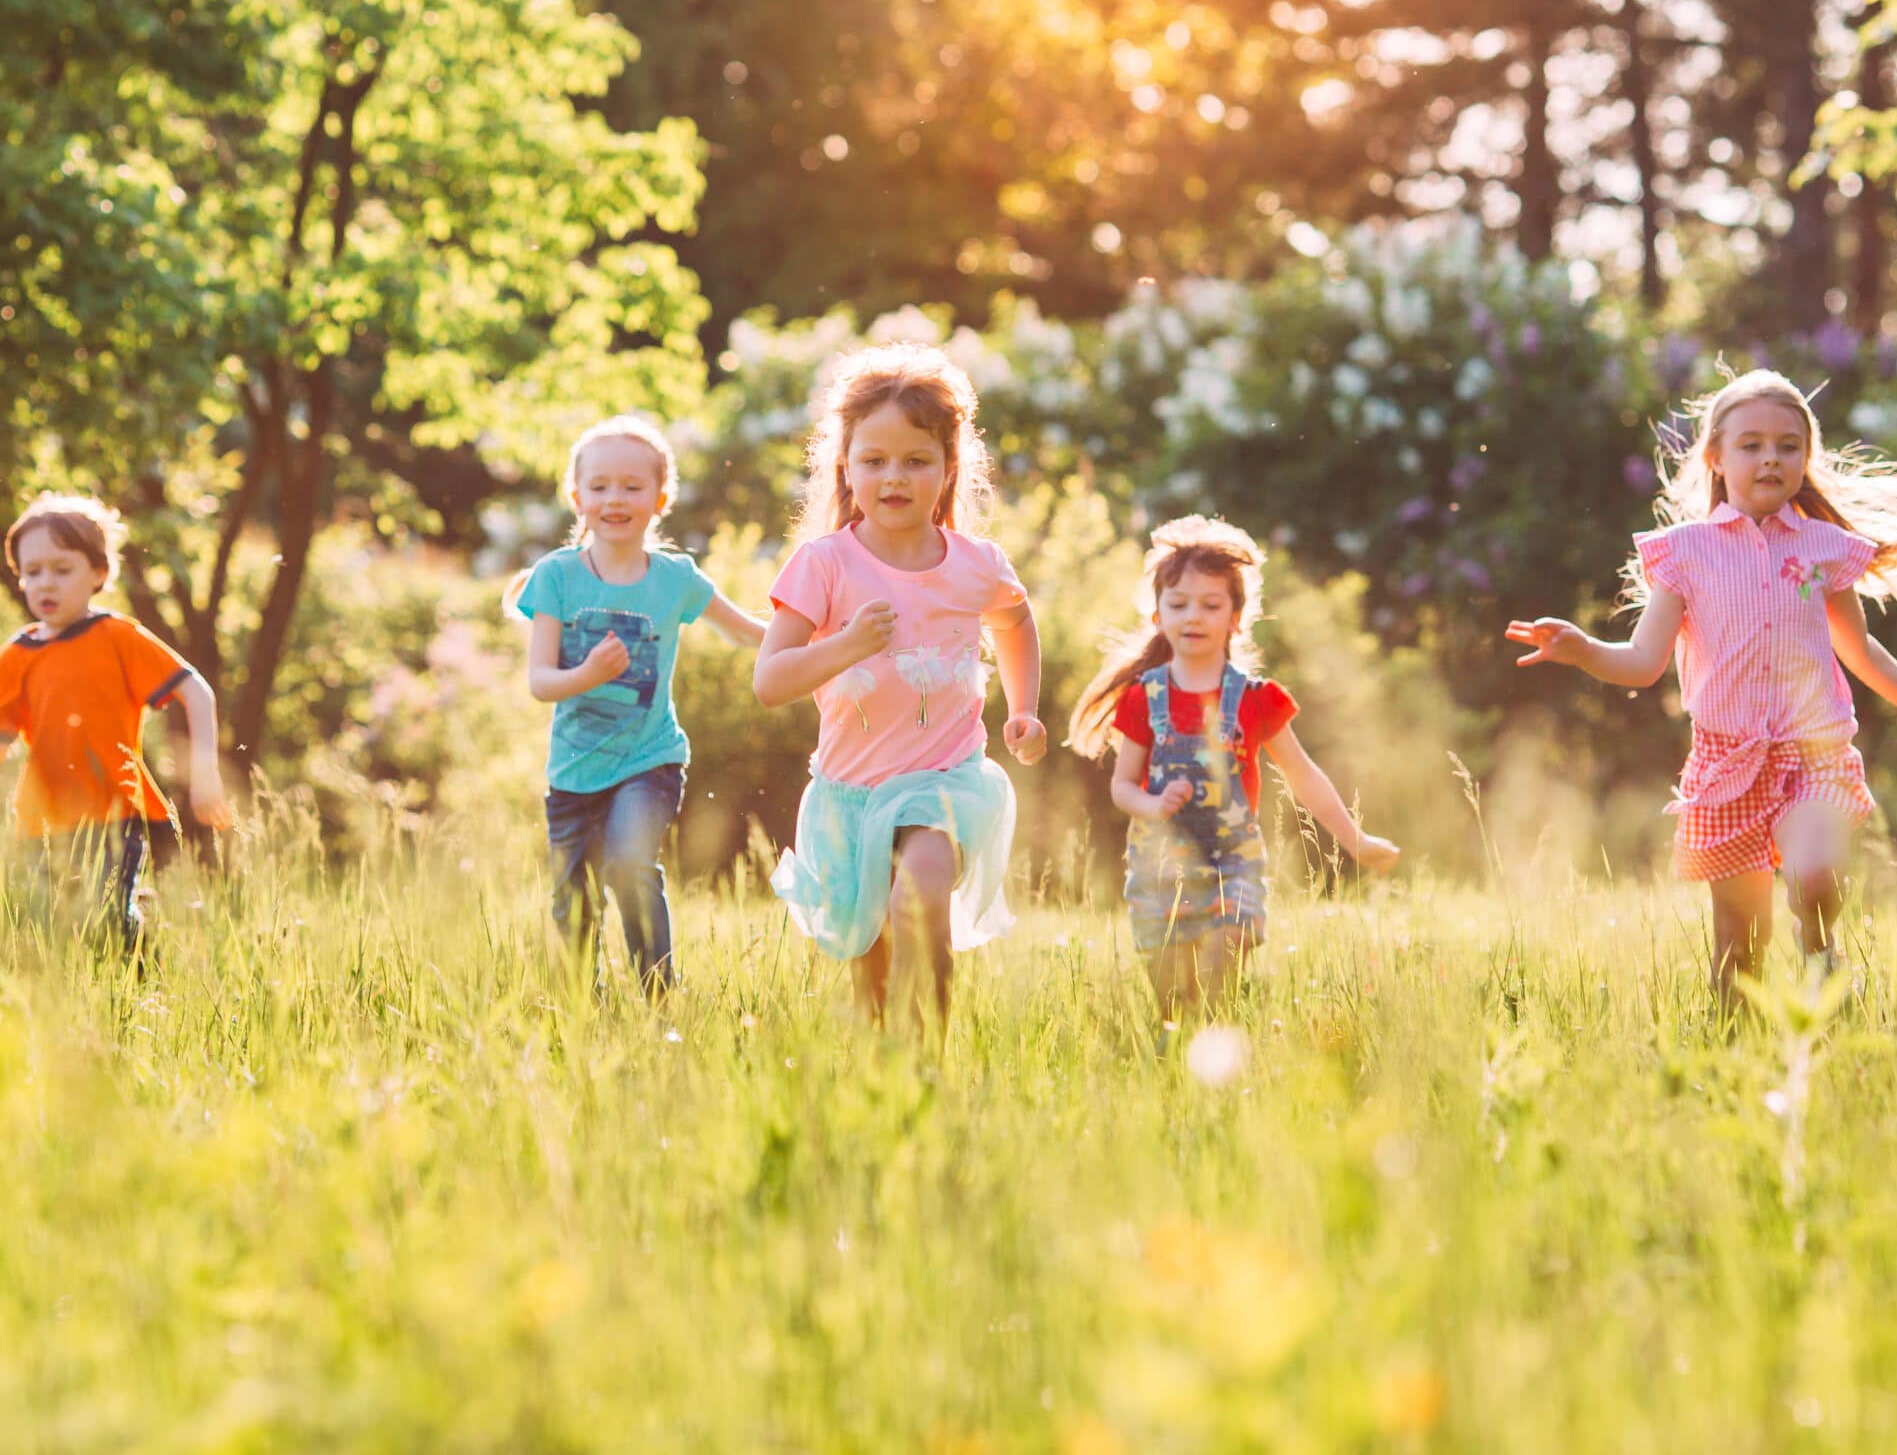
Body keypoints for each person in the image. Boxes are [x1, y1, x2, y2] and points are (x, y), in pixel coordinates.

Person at [1505, 369, 1897, 1002]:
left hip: (1813, 752)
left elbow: (1858, 648)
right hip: (1726, 764)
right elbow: (1644, 662)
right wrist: (1584, 650)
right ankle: (1737, 1057)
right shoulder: (1685, 554)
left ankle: (1821, 955)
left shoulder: (1823, 548)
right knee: (1739, 951)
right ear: (1717, 458)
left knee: (1813, 877)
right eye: (1752, 444)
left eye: (1788, 446)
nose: (1771, 458)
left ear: (1805, 459)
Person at [753, 343, 1046, 1032]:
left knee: (920, 893)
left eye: (916, 460)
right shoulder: (822, 564)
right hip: (848, 796)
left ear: (948, 469)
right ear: (845, 466)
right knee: (873, 962)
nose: (895, 476)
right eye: (874, 460)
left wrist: (1024, 707)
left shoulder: (974, 564)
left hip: (944, 781)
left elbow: (1015, 619)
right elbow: (770, 681)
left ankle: (931, 1047)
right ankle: (888, 1066)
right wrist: (848, 643)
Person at [1069, 516, 1397, 1019]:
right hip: (1161, 868)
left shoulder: (1255, 700)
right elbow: (1121, 787)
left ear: (1237, 617)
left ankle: (1216, 1044)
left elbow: (1304, 774)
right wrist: (1153, 804)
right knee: (1175, 1007)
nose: (1193, 616)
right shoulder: (1143, 698)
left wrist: (1355, 841)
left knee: (1229, 948)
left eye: (1210, 604)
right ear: (1157, 615)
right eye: (1178, 604)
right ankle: (1179, 1066)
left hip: (1233, 861)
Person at [514, 416, 767, 995]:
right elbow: (540, 681)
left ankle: (660, 997)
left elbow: (749, 632)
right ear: (577, 497)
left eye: (632, 486)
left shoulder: (675, 578)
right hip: (574, 773)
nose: (615, 499)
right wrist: (589, 673)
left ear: (661, 497)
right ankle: (584, 1013)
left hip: (649, 761)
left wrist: (831, 638)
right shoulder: (556, 576)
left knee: (629, 865)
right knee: (571, 907)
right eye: (599, 486)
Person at [0, 493, 229, 948]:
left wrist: (205, 775)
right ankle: (107, 969)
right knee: (52, 930)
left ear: (98, 573)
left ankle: (141, 978)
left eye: (62, 569)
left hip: (114, 810)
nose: (45, 583)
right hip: (41, 820)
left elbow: (196, 690)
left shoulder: (117, 636)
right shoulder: (18, 655)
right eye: (32, 573)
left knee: (104, 919)